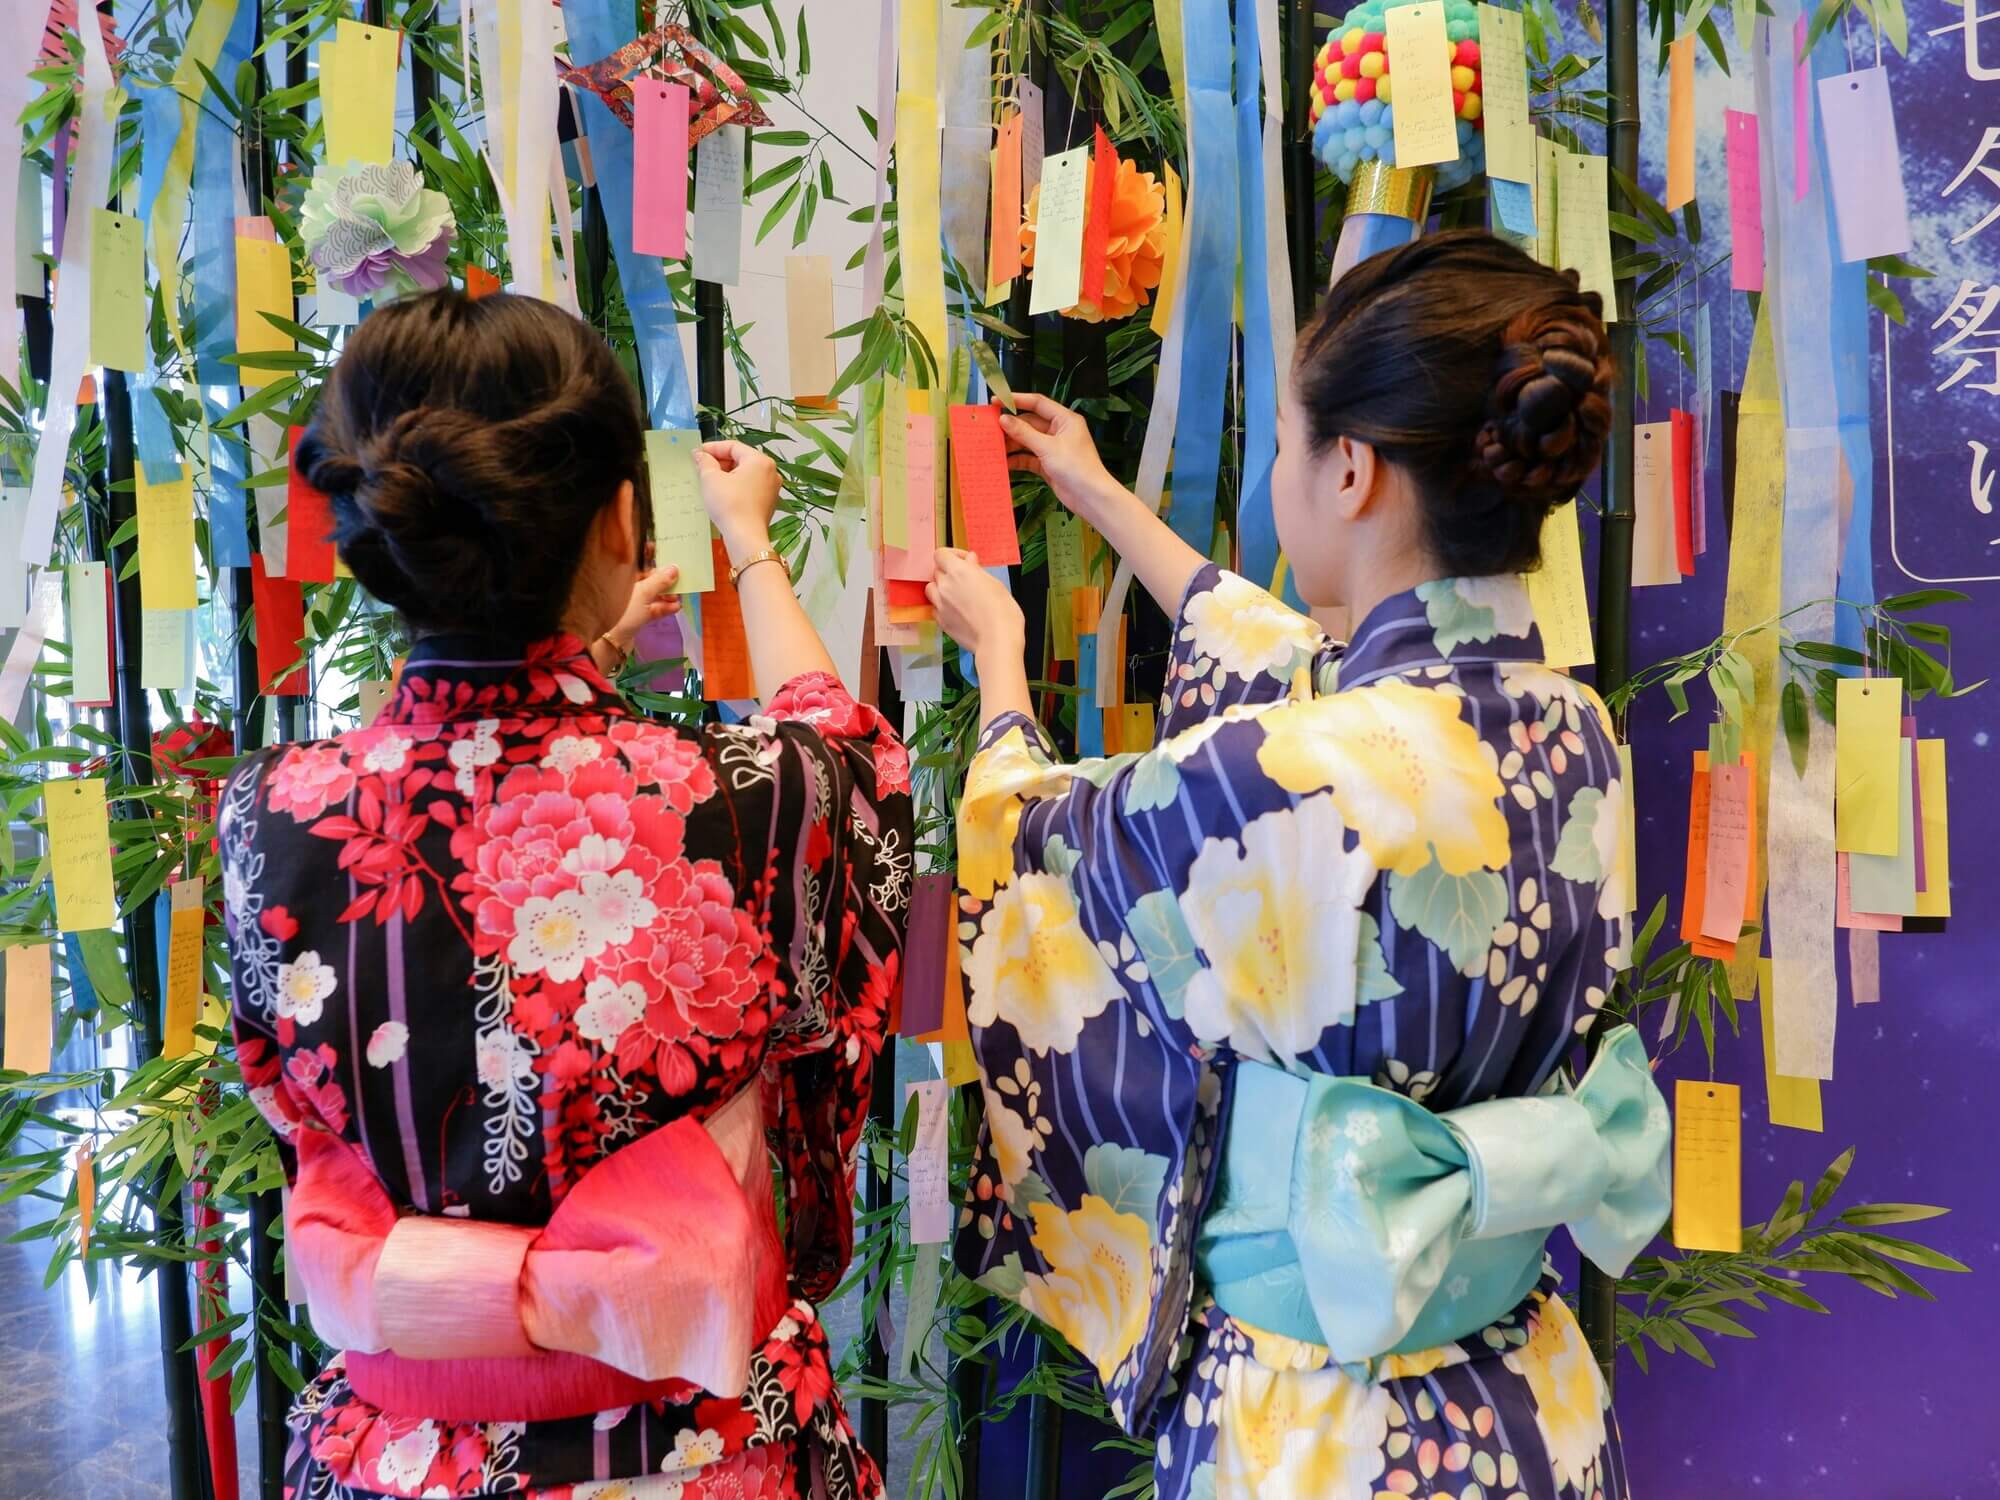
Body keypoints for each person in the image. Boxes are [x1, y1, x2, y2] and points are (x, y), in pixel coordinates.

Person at [928, 230, 1671, 1499]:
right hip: (1532, 1395)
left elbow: (1028, 845)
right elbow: (1310, 679)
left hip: (1322, 1422)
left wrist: (1002, 668)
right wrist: (1103, 498)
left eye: (1282, 444)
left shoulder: (1282, 770)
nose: (1280, 471)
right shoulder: (1570, 725)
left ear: (1349, 471)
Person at [221, 289, 909, 1500]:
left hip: (397, 1457)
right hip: (695, 1453)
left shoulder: (267, 815)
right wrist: (749, 541)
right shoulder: (744, 800)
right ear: (619, 519)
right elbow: (847, 753)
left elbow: (300, 1102)